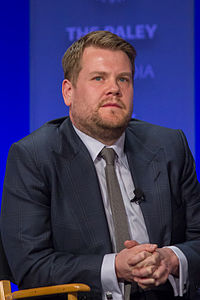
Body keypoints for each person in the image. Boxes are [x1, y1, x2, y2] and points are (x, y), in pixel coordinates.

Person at [1, 31, 200, 300]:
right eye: (99, 78)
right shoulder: (34, 157)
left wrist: (171, 259)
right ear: (68, 92)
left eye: (123, 79)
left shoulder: (169, 146)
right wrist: (115, 267)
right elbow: (30, 266)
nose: (114, 88)